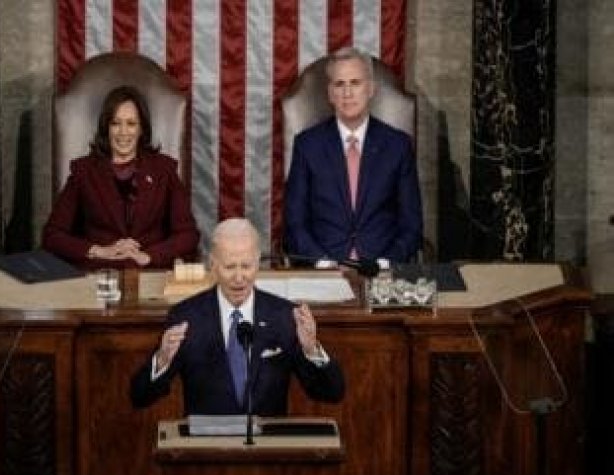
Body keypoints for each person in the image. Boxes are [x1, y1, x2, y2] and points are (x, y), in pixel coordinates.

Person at [130, 218, 345, 415]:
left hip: (267, 450)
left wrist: (312, 350)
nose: (239, 277)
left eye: (247, 266)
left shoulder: (283, 316)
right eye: (230, 267)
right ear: (213, 265)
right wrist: (162, 359)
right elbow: (139, 397)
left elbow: (331, 393)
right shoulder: (187, 317)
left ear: (258, 262)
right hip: (206, 450)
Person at [284, 47, 423, 265]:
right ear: (330, 93)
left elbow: (411, 225)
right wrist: (321, 263)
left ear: (370, 89)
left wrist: (386, 262)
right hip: (324, 270)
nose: (347, 93)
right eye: (340, 84)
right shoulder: (307, 145)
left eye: (355, 83)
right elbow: (295, 223)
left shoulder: (398, 145)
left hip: (382, 270)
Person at [42, 85, 199, 269]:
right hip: (98, 275)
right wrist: (100, 250)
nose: (123, 132)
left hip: (149, 274)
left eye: (131, 123)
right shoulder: (84, 171)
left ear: (141, 129)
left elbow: (188, 234)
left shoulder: (164, 170)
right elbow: (52, 235)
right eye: (115, 123)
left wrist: (148, 256)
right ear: (106, 128)